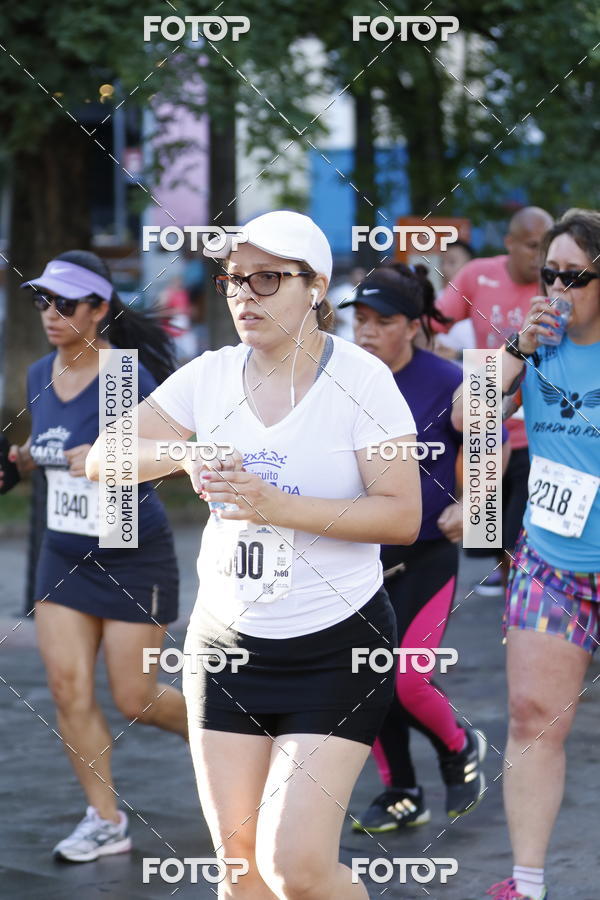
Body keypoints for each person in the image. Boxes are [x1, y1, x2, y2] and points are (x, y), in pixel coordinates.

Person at [87, 210, 422, 899]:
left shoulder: (362, 381)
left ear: (316, 287)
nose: (244, 295)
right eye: (234, 281)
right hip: (228, 647)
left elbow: (403, 515)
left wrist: (276, 506)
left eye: (266, 279)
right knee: (239, 871)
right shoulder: (209, 376)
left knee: (295, 866)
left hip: (337, 648)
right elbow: (102, 458)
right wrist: (184, 454)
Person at [0, 251, 186, 862]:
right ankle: (104, 820)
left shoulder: (126, 377)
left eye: (65, 303)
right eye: (42, 301)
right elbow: (49, 442)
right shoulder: (36, 375)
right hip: (64, 553)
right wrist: (27, 457)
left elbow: (180, 452)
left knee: (137, 698)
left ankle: (247, 742)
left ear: (100, 309)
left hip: (131, 552)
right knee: (65, 688)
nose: (50, 313)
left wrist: (113, 458)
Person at [338, 264, 487, 832]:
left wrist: (471, 506)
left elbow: (489, 453)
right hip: (358, 560)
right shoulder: (344, 381)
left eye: (384, 321)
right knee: (362, 680)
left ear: (414, 326)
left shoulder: (451, 380)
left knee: (406, 678)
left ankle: (458, 747)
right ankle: (401, 791)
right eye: (361, 319)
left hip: (426, 556)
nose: (368, 331)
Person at [487, 208, 600, 900]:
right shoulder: (535, 343)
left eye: (574, 277)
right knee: (531, 713)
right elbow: (470, 415)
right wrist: (518, 351)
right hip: (552, 561)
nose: (556, 288)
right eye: (547, 273)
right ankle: (525, 885)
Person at [433, 207, 554, 595]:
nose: (540, 257)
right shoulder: (476, 274)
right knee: (487, 535)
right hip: (487, 417)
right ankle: (513, 594)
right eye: (533, 247)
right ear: (510, 244)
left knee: (525, 528)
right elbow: (432, 323)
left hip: (541, 424)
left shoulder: (559, 283)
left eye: (546, 248)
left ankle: (525, 600)